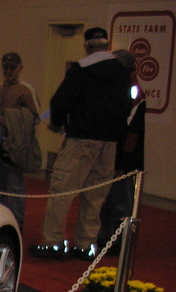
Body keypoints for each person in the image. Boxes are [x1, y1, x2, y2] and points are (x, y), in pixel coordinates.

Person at [32, 27, 132, 260]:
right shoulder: (121, 73)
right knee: (95, 196)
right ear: (107, 46)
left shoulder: (81, 70)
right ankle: (86, 244)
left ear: (87, 46)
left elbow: (60, 102)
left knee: (62, 192)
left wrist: (58, 123)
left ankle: (54, 242)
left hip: (81, 140)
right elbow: (126, 107)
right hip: (109, 143)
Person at [98, 50, 146, 255]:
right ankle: (105, 237)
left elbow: (132, 132)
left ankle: (117, 242)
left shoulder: (133, 92)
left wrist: (122, 163)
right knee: (107, 201)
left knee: (121, 203)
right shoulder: (116, 87)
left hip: (125, 161)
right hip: (112, 155)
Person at [0, 52, 40, 230]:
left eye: (12, 67)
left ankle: (17, 222)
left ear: (20, 68)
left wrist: (10, 120)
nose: (8, 71)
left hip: (14, 145)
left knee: (15, 185)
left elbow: (34, 117)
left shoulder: (25, 90)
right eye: (5, 67)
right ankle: (1, 219)